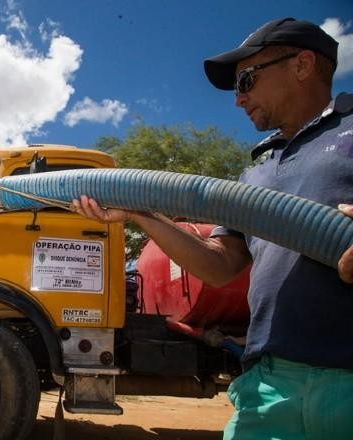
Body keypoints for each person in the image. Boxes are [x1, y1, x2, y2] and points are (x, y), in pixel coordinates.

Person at [73, 17, 353, 440]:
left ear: (302, 65)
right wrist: (141, 212)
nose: (239, 101)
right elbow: (221, 266)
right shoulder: (255, 176)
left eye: (246, 80)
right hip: (270, 387)